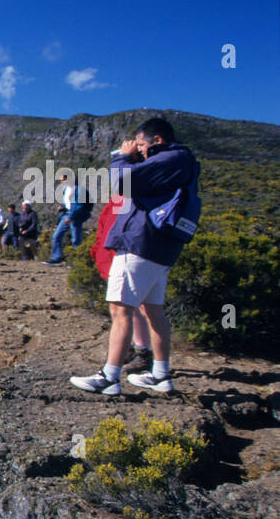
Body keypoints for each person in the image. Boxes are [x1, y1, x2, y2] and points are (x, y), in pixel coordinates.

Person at [70, 118, 199, 395]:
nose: (137, 149)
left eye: (141, 144)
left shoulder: (170, 159)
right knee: (153, 311)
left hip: (139, 244)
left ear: (157, 141)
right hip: (159, 249)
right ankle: (161, 376)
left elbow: (121, 182)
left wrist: (121, 157)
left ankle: (109, 377)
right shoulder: (178, 161)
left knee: (120, 309)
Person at [90, 194, 153, 374]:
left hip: (123, 257)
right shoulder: (119, 200)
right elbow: (105, 227)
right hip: (112, 257)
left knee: (129, 307)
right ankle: (131, 348)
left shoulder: (133, 200)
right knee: (123, 308)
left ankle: (142, 351)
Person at [43, 175, 88, 265]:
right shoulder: (66, 189)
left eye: (62, 180)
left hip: (75, 216)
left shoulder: (77, 190)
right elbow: (67, 202)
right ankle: (56, 258)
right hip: (66, 214)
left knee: (76, 239)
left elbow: (78, 206)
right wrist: (62, 206)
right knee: (56, 236)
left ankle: (78, 262)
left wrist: (70, 217)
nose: (61, 182)